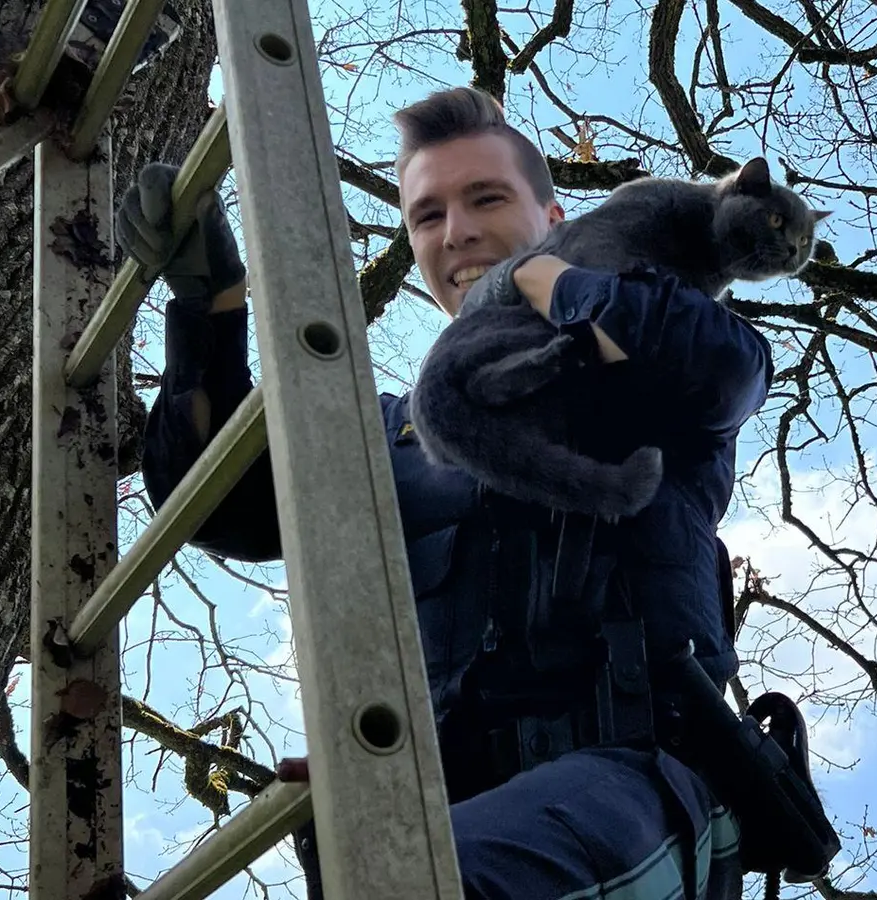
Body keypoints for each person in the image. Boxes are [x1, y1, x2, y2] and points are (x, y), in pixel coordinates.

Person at [125, 86, 773, 899]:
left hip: (631, 801)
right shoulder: (391, 435)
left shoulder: (672, 339)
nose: (456, 231)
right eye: (426, 217)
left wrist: (543, 278)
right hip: (420, 809)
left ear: (553, 213)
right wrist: (209, 315)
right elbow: (221, 504)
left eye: (486, 198)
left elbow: (709, 362)